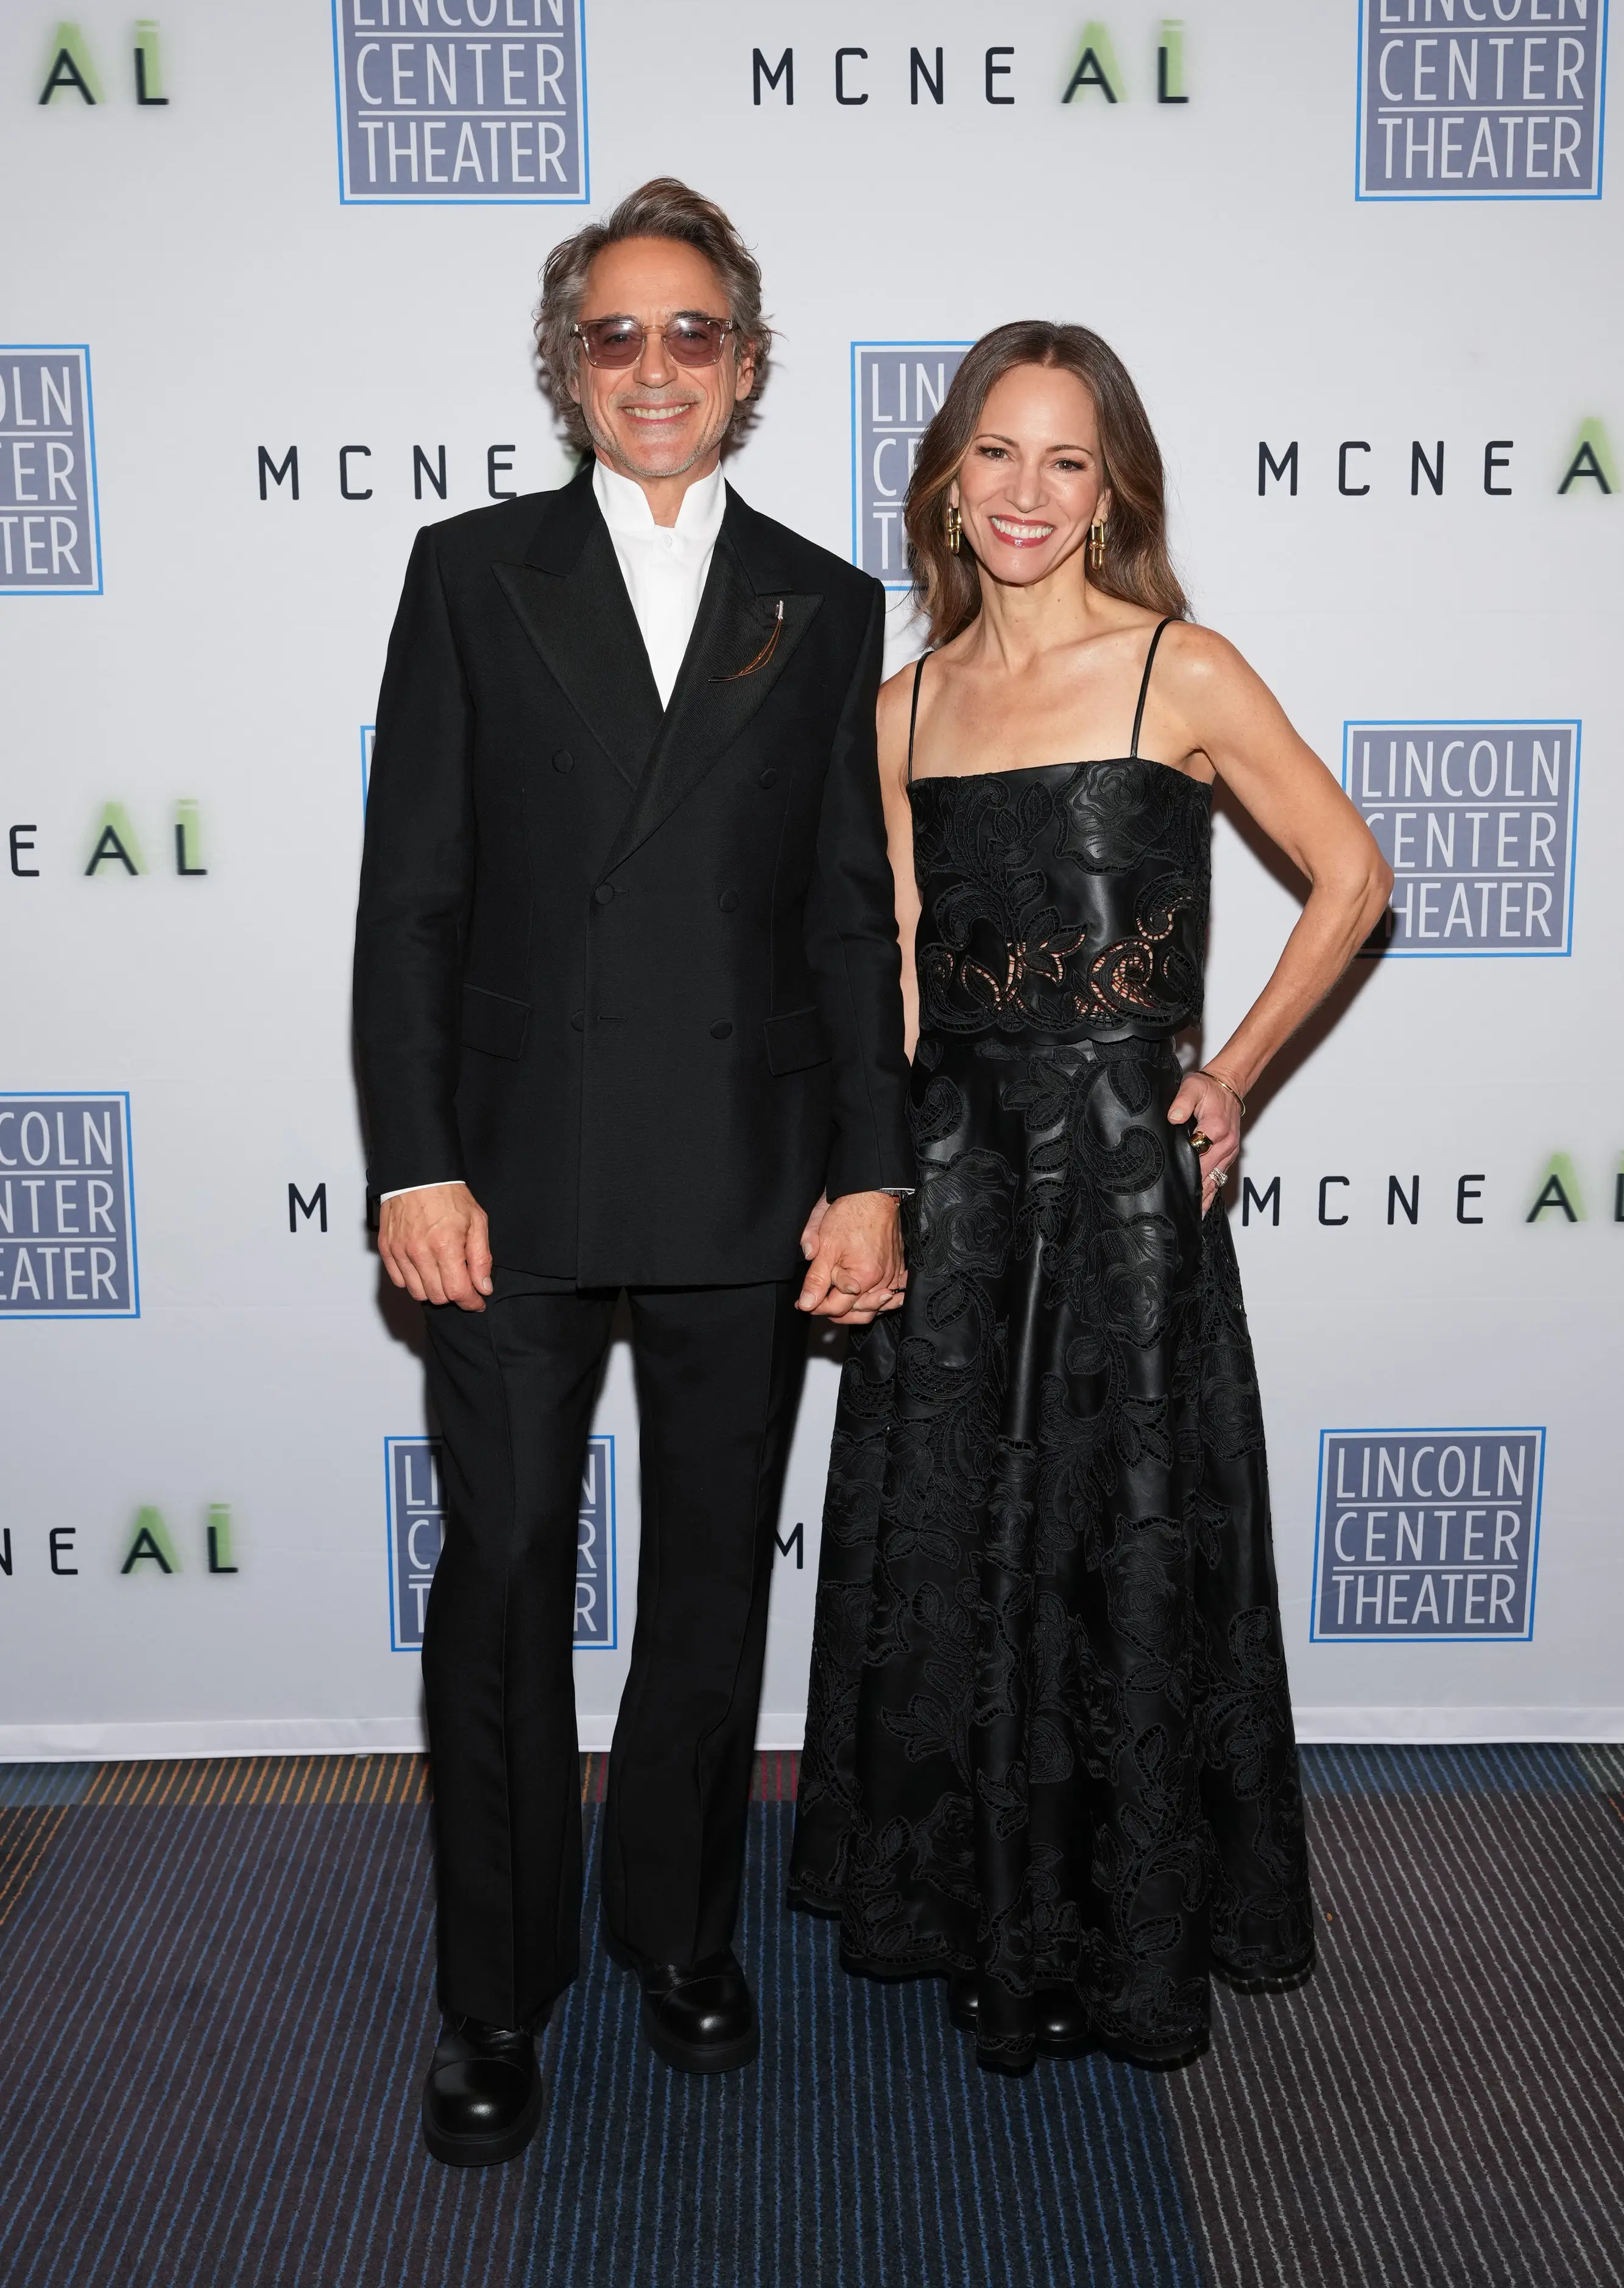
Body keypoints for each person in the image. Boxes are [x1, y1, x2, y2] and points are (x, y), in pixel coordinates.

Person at [354, 178, 913, 2166]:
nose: (655, 367)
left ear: (746, 368)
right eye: (617, 335)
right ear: (566, 366)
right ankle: (493, 1992)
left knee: (701, 1589)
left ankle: (681, 1935)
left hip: (747, 1178)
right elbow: (409, 902)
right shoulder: (470, 574)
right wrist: (412, 1157)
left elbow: (854, 924)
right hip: (503, 1178)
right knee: (499, 1579)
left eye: (694, 335)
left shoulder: (826, 601)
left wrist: (873, 1172)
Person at [789, 321, 1391, 2073]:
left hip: (1127, 1184)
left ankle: (1117, 1932)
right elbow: (900, 966)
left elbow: (1350, 877)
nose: (1029, 493)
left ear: (1111, 482)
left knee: (1108, 1553)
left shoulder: (1176, 672)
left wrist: (1233, 1076)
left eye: (1068, 459)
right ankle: (991, 1919)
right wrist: (867, 1182)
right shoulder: (900, 708)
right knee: (965, 1545)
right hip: (961, 1174)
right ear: (946, 482)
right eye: (997, 454)